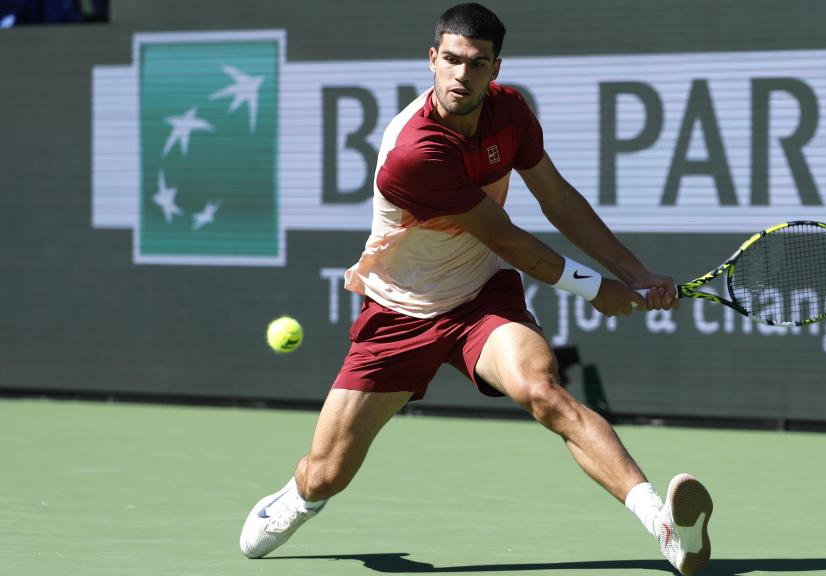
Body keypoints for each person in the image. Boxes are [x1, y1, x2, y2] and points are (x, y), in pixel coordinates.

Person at [239, 3, 713, 574]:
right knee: (326, 474)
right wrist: (595, 289)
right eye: (452, 60)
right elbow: (508, 238)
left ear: (496, 68)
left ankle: (665, 526)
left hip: (481, 298)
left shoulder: (509, 111)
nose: (462, 74)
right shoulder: (416, 152)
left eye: (477, 63)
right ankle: (295, 500)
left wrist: (635, 273)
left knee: (543, 391)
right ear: (432, 59)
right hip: (400, 311)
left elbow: (558, 200)